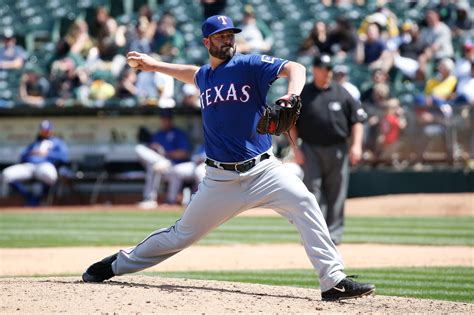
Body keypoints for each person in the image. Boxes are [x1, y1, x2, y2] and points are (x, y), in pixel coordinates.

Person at [82, 15, 375, 301]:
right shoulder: (206, 76)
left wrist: (291, 96)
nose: (227, 40)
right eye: (221, 36)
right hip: (220, 180)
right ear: (206, 42)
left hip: (265, 171)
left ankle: (332, 280)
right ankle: (117, 264)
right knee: (179, 236)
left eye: (230, 35)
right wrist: (153, 65)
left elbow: (295, 67)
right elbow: (189, 73)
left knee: (305, 202)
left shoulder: (247, 64)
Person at [289, 54, 366, 245]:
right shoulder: (304, 94)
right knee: (312, 193)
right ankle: (314, 234)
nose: (327, 73)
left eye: (330, 69)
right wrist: (295, 149)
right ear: (314, 70)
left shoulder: (342, 93)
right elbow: (290, 123)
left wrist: (356, 146)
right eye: (323, 68)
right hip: (310, 149)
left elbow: (357, 121)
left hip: (338, 149)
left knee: (336, 193)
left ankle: (334, 236)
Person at [1, 120, 69, 206]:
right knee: (5, 175)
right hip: (29, 166)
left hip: (45, 165)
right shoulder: (35, 143)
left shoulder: (57, 142)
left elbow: (64, 158)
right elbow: (22, 157)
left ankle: (40, 198)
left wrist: (48, 154)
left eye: (47, 130)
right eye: (43, 130)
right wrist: (31, 153)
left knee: (51, 176)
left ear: (51, 130)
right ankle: (28, 196)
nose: (45, 132)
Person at [135, 110, 192, 209]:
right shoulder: (157, 135)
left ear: (171, 120)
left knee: (158, 166)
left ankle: (154, 199)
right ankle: (150, 200)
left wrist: (165, 154)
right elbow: (150, 152)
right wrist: (155, 150)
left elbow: (183, 153)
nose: (165, 121)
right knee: (141, 151)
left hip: (172, 165)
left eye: (168, 119)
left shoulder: (179, 133)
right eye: (163, 119)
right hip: (159, 165)